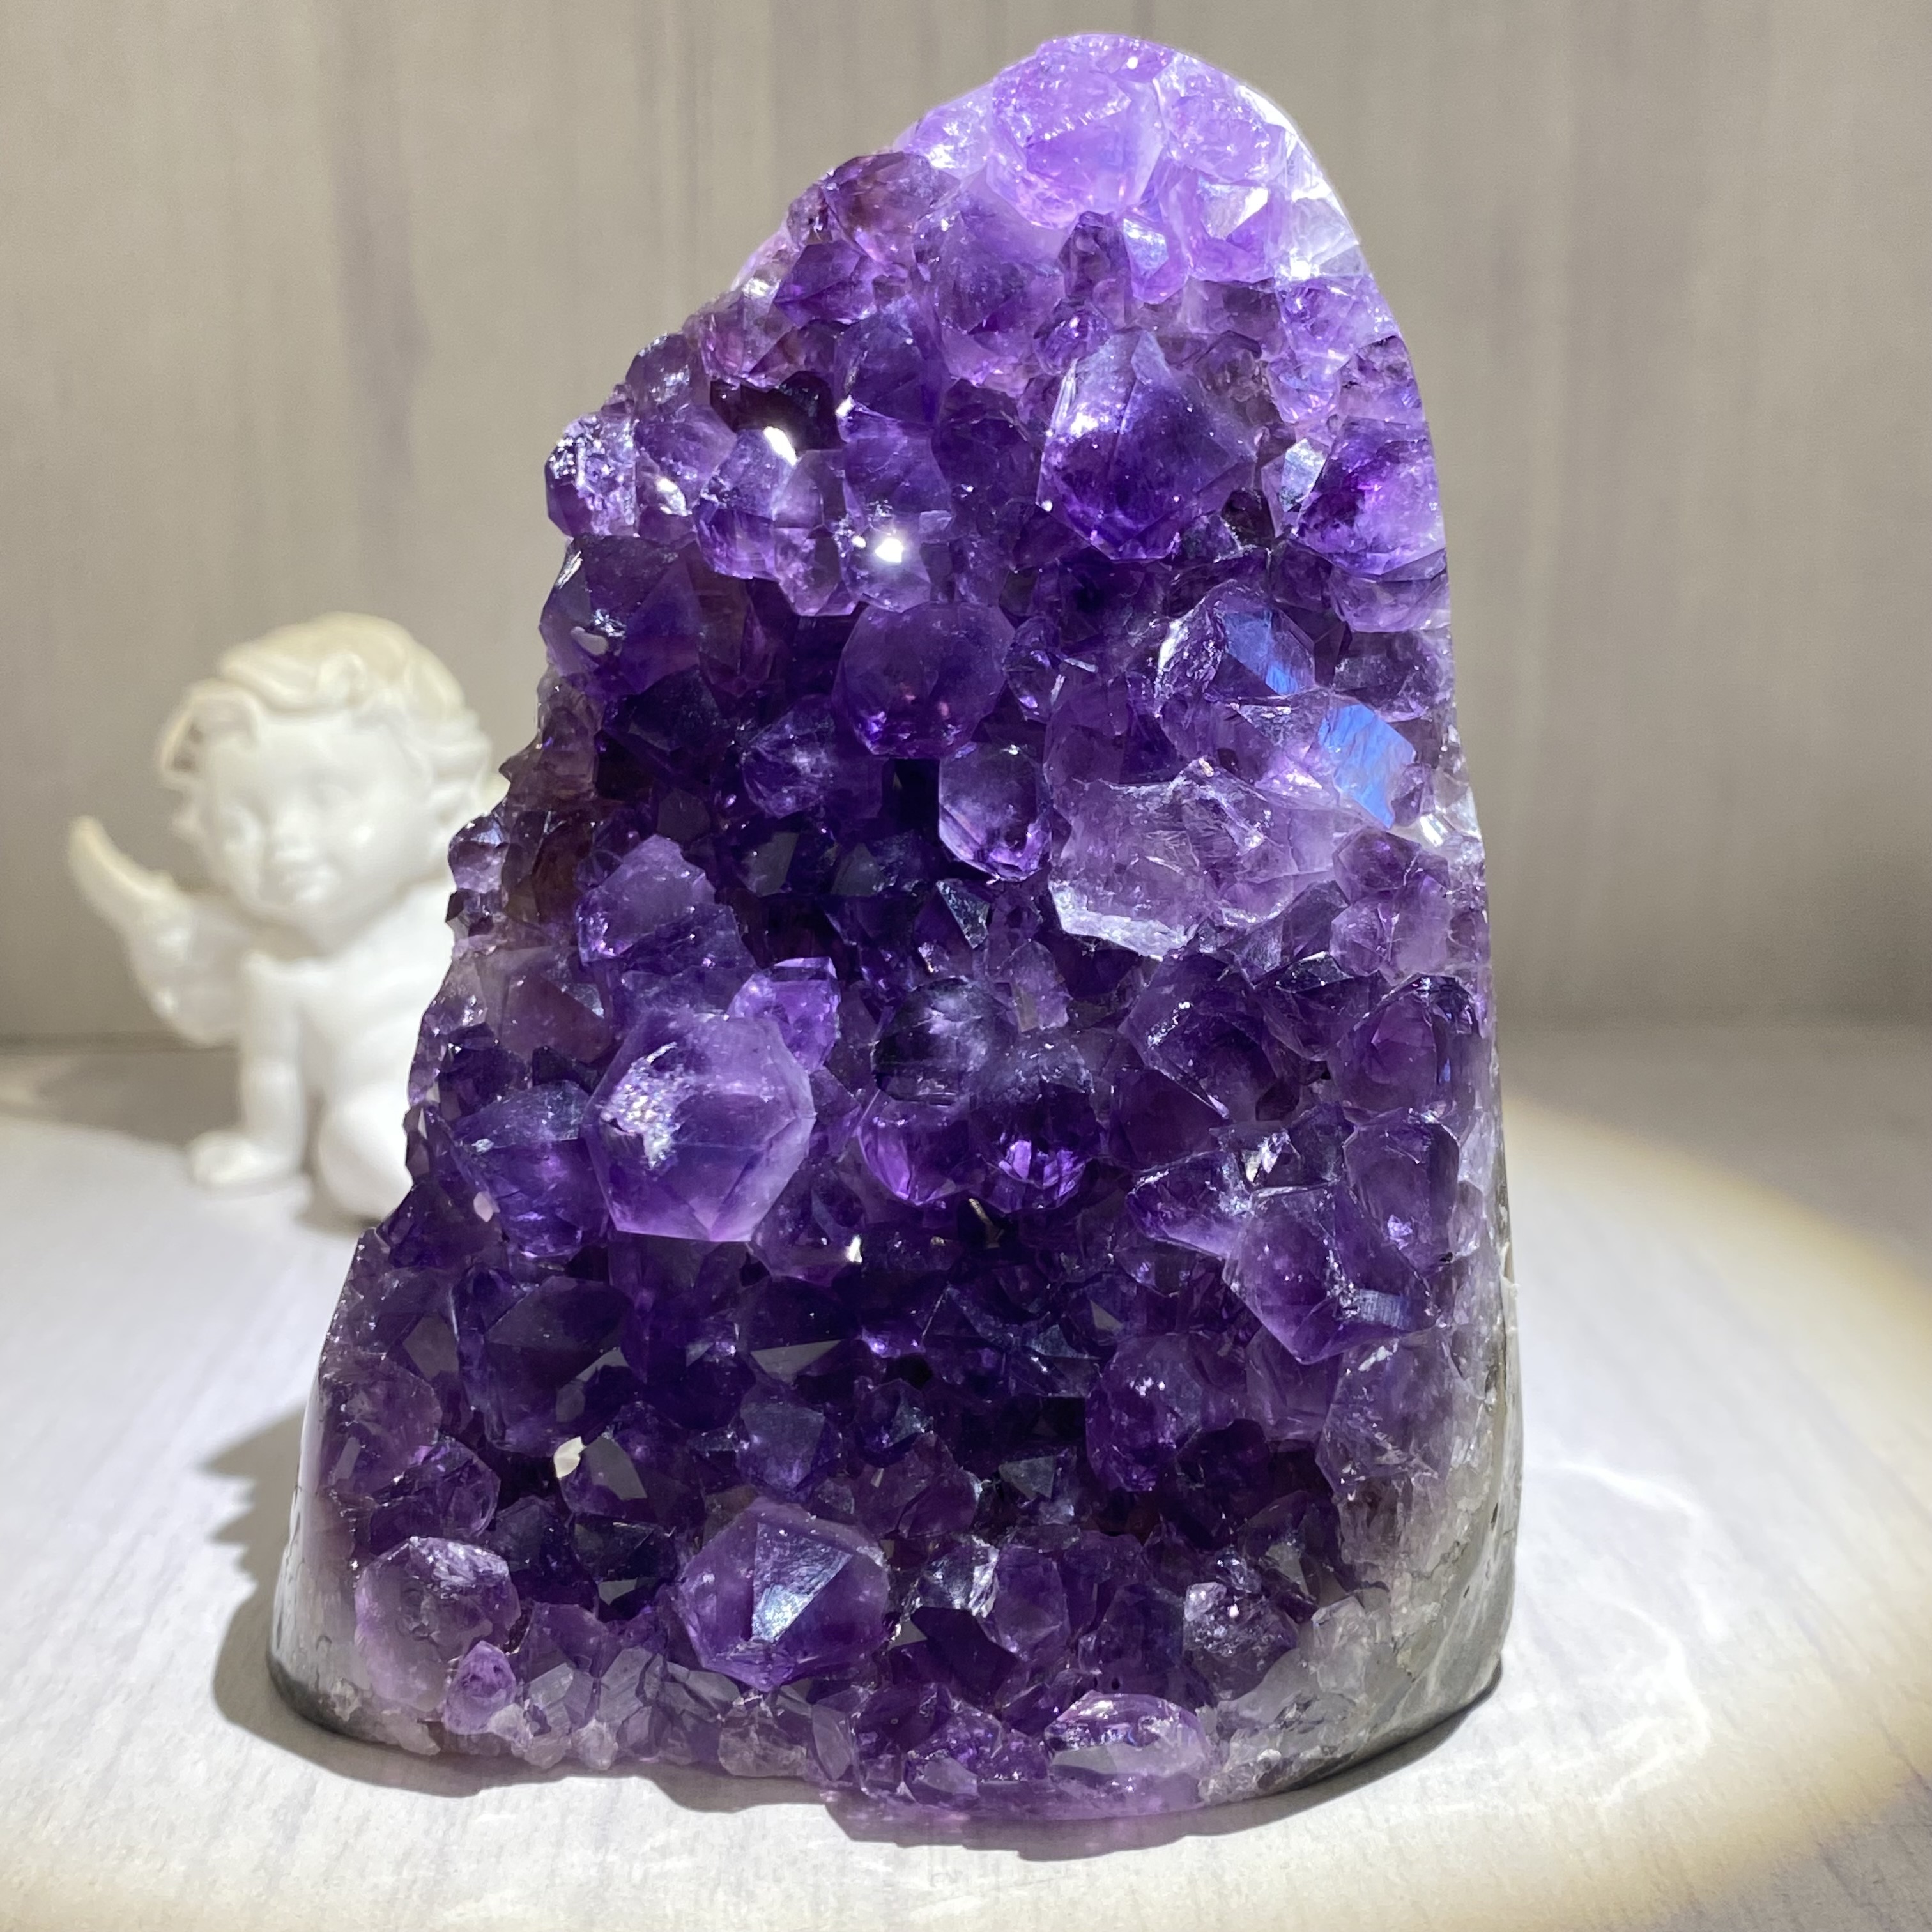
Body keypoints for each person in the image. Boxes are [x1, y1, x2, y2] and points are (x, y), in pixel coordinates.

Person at [70, 614, 496, 1220]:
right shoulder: (277, 968)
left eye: (327, 798)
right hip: (389, 1105)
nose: (284, 844)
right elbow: (273, 1073)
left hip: (495, 1086)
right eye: (242, 823)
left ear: (438, 794)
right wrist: (266, 1146)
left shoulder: (455, 908)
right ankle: (469, 1220)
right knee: (362, 1136)